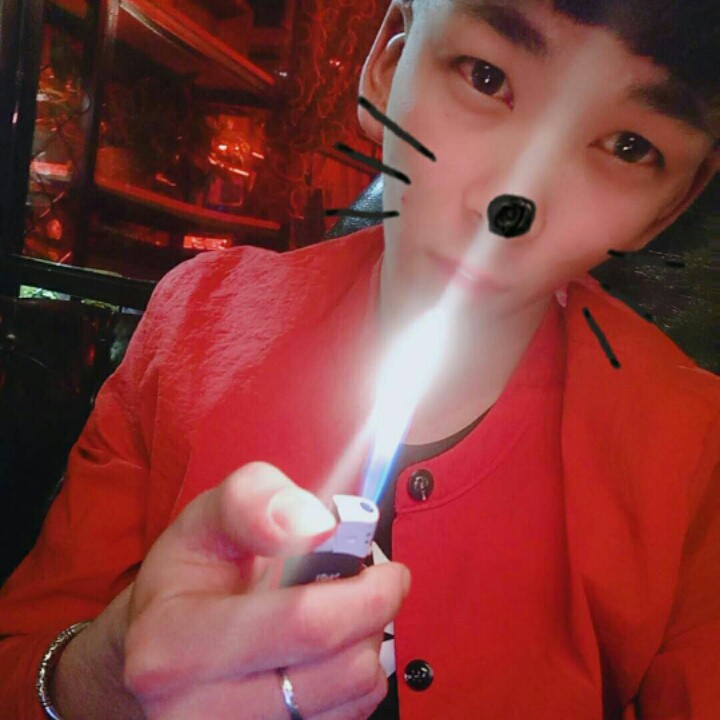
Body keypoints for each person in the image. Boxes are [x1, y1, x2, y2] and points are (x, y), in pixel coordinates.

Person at [1, 0, 719, 717]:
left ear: (671, 205)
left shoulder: (692, 449)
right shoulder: (192, 324)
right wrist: (110, 673)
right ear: (387, 63)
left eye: (629, 146)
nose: (512, 208)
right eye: (484, 76)